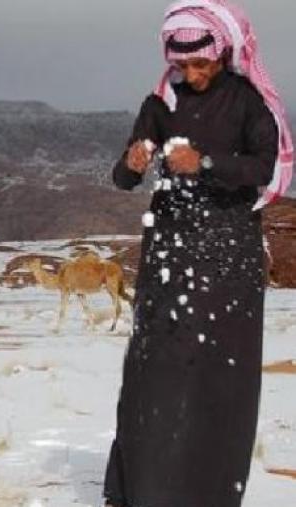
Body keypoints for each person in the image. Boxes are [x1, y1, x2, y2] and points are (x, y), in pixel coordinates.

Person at [103, 1, 292, 506]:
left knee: (218, 370)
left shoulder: (248, 102)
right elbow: (122, 179)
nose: (191, 74)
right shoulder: (159, 103)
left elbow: (262, 167)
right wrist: (133, 161)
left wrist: (204, 162)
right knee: (156, 366)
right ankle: (144, 491)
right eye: (182, 65)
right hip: (169, 246)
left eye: (201, 64)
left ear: (222, 53)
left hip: (229, 249)